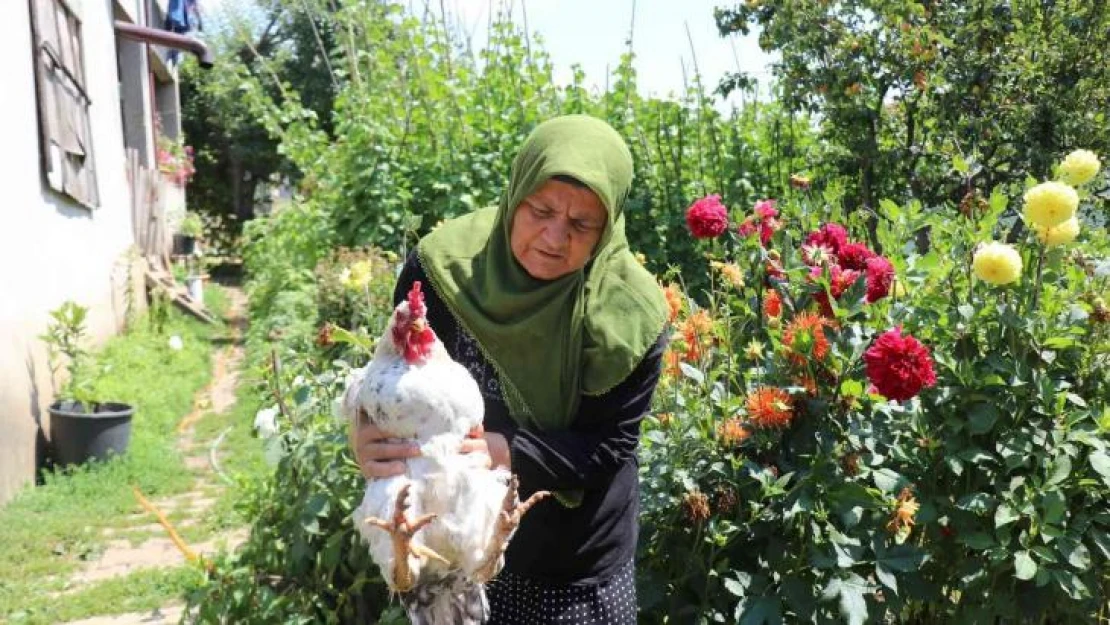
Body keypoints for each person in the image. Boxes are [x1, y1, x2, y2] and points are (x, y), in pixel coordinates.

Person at [350, 114, 668, 624]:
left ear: (607, 229)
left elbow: (611, 446)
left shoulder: (628, 315)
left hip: (572, 559)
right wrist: (368, 439)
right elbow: (398, 380)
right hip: (456, 541)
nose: (554, 237)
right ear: (515, 194)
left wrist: (505, 451)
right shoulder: (443, 271)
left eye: (581, 224)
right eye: (540, 210)